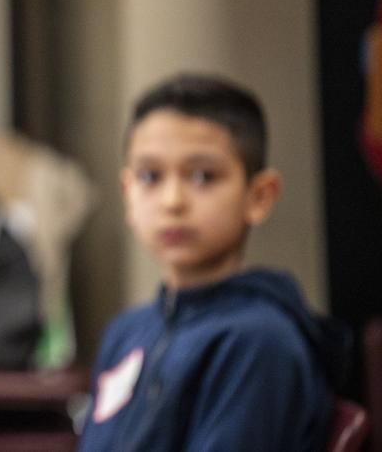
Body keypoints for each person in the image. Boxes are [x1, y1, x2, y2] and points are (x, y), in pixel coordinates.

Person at [78, 73, 346, 452]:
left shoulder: (260, 342)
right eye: (150, 176)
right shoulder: (126, 332)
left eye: (203, 177)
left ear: (259, 196)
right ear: (127, 193)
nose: (173, 201)